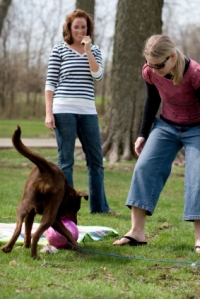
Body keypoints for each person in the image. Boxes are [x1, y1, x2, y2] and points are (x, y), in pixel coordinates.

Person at [113, 34, 200, 252]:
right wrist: (143, 133)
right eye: (150, 65)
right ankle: (137, 232)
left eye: (158, 65)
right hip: (167, 126)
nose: (154, 69)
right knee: (144, 167)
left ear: (171, 57)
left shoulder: (194, 74)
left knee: (197, 175)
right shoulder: (150, 71)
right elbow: (152, 101)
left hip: (197, 128)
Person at [45, 9, 117, 214]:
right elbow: (50, 83)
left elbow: (98, 76)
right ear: (69, 28)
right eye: (75, 26)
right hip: (63, 109)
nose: (79, 30)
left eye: (83, 26)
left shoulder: (95, 50)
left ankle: (100, 207)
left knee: (96, 160)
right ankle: (65, 206)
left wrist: (88, 51)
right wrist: (48, 113)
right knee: (65, 161)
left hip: (88, 111)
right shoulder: (59, 50)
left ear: (88, 29)